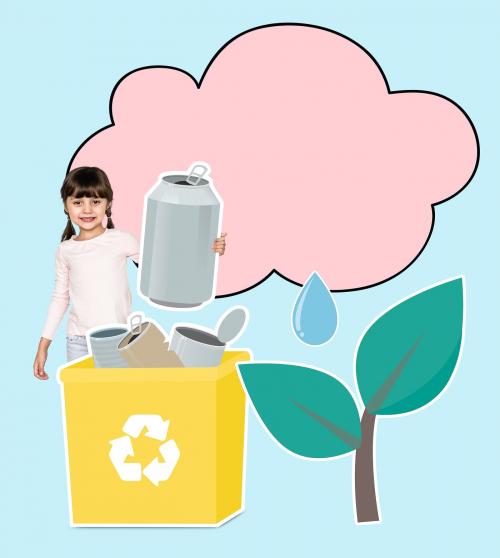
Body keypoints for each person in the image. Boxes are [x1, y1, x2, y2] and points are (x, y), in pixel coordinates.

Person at [33, 166, 227, 380]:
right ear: (66, 206)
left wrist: (208, 249)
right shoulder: (65, 250)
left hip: (119, 340)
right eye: (78, 202)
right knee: (88, 403)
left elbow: (164, 267)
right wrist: (44, 344)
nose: (87, 209)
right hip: (79, 341)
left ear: (108, 204)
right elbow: (60, 298)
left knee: (118, 401)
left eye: (95, 202)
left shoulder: (122, 240)